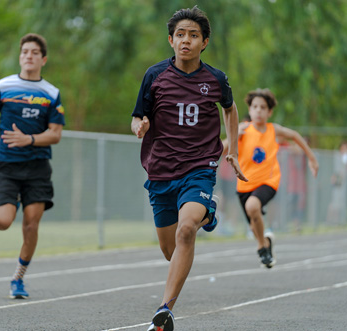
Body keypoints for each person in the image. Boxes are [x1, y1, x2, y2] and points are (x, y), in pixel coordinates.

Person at [131, 7, 247, 331]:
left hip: (199, 167)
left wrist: (233, 149)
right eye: (180, 35)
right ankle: (208, 214)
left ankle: (165, 310)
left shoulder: (216, 79)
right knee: (171, 250)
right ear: (171, 40)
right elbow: (137, 116)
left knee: (186, 230)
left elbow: (231, 110)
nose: (186, 40)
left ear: (204, 42)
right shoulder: (154, 76)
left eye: (193, 35)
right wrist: (139, 126)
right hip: (160, 170)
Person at [0, 33, 65, 299]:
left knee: (30, 226)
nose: (29, 55)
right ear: (20, 56)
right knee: (2, 222)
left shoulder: (51, 93)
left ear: (43, 59)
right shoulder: (4, 86)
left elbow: (55, 134)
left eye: (34, 52)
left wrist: (28, 139)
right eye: (25, 51)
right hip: (6, 166)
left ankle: (18, 278)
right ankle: (11, 198)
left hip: (37, 168)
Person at [223, 88, 319, 268]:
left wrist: (312, 159)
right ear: (250, 110)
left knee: (253, 206)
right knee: (254, 225)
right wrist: (233, 134)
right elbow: (220, 149)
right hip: (244, 184)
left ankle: (261, 249)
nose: (258, 110)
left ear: (269, 111)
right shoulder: (242, 130)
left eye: (263, 107)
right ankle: (266, 243)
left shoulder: (273, 130)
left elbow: (295, 136)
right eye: (255, 107)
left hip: (268, 180)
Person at [327, 140, 347, 224]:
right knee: (334, 203)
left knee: (341, 203)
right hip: (337, 181)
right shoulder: (338, 156)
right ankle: (330, 220)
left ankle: (338, 221)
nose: (345, 150)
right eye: (343, 148)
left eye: (346, 148)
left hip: (344, 183)